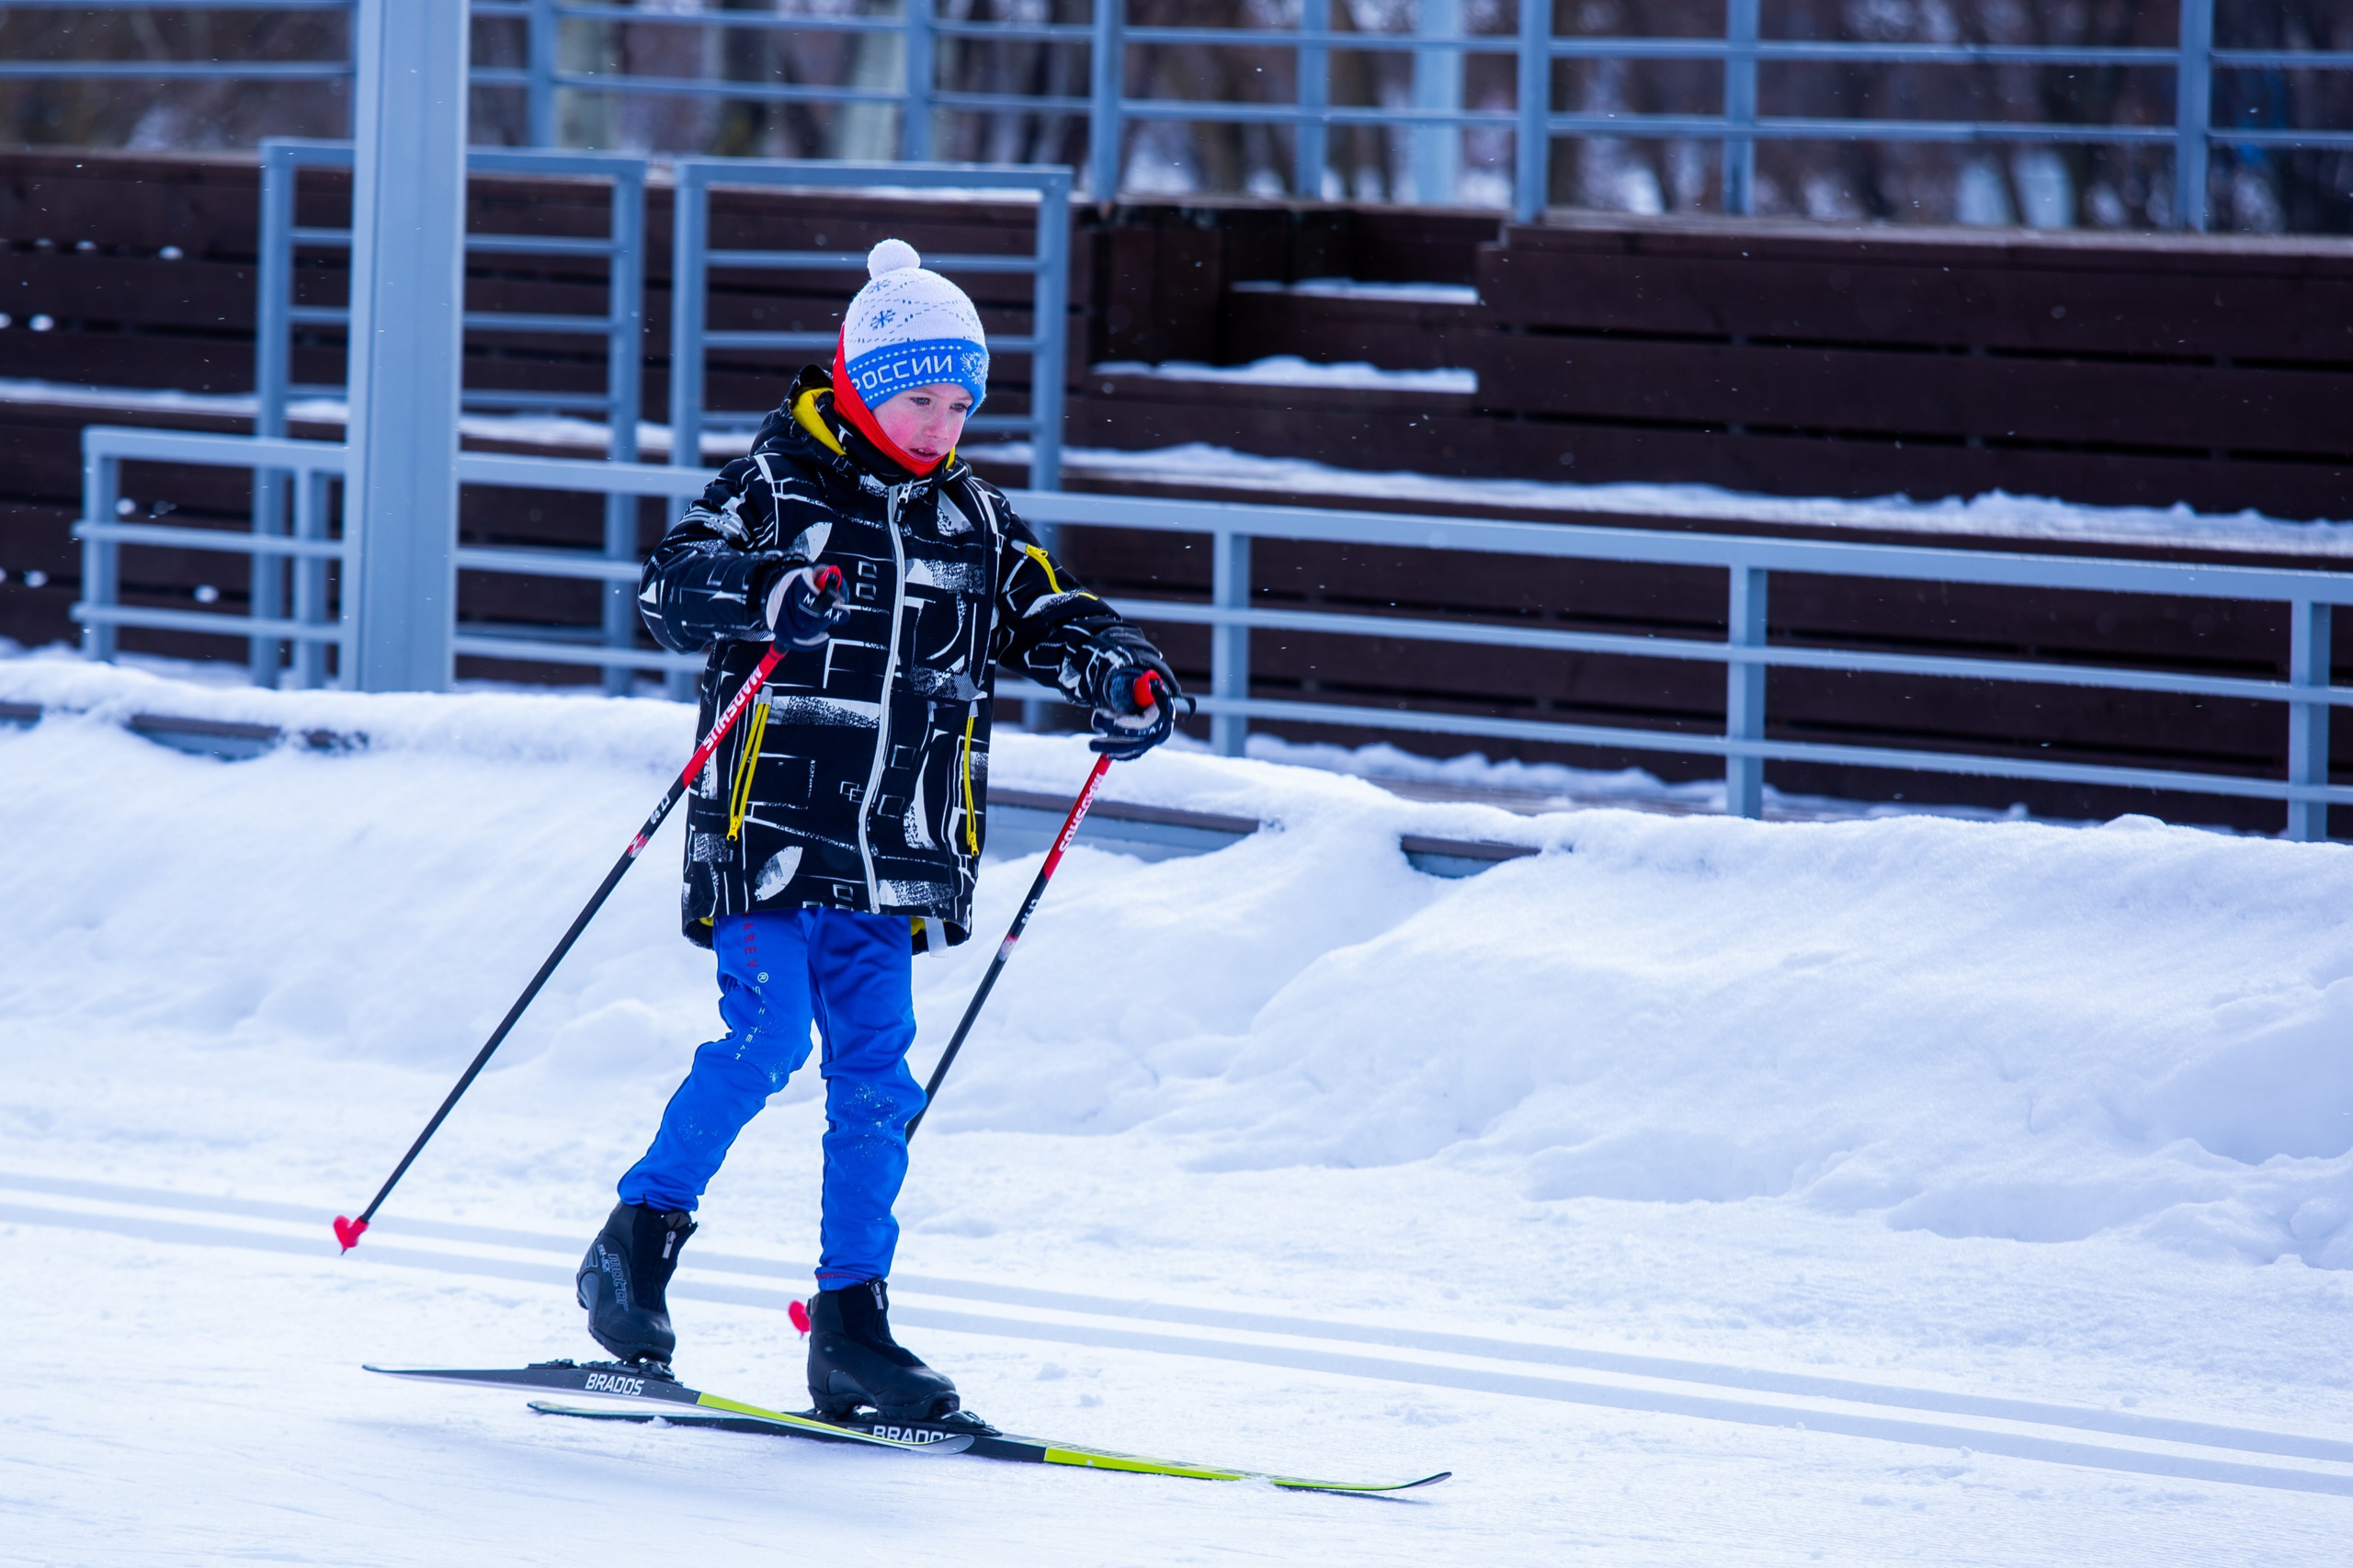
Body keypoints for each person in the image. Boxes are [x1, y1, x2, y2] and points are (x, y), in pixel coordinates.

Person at [574, 239, 1184, 1427]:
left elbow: (1046, 609)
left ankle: (852, 1322)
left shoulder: (972, 515)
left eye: (962, 403)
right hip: (771, 825)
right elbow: (668, 581)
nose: (942, 424)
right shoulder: (783, 479)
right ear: (860, 379)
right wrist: (764, 592)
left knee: (876, 1079)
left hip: (898, 844)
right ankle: (633, 1241)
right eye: (921, 398)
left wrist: (1122, 670)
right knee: (768, 1039)